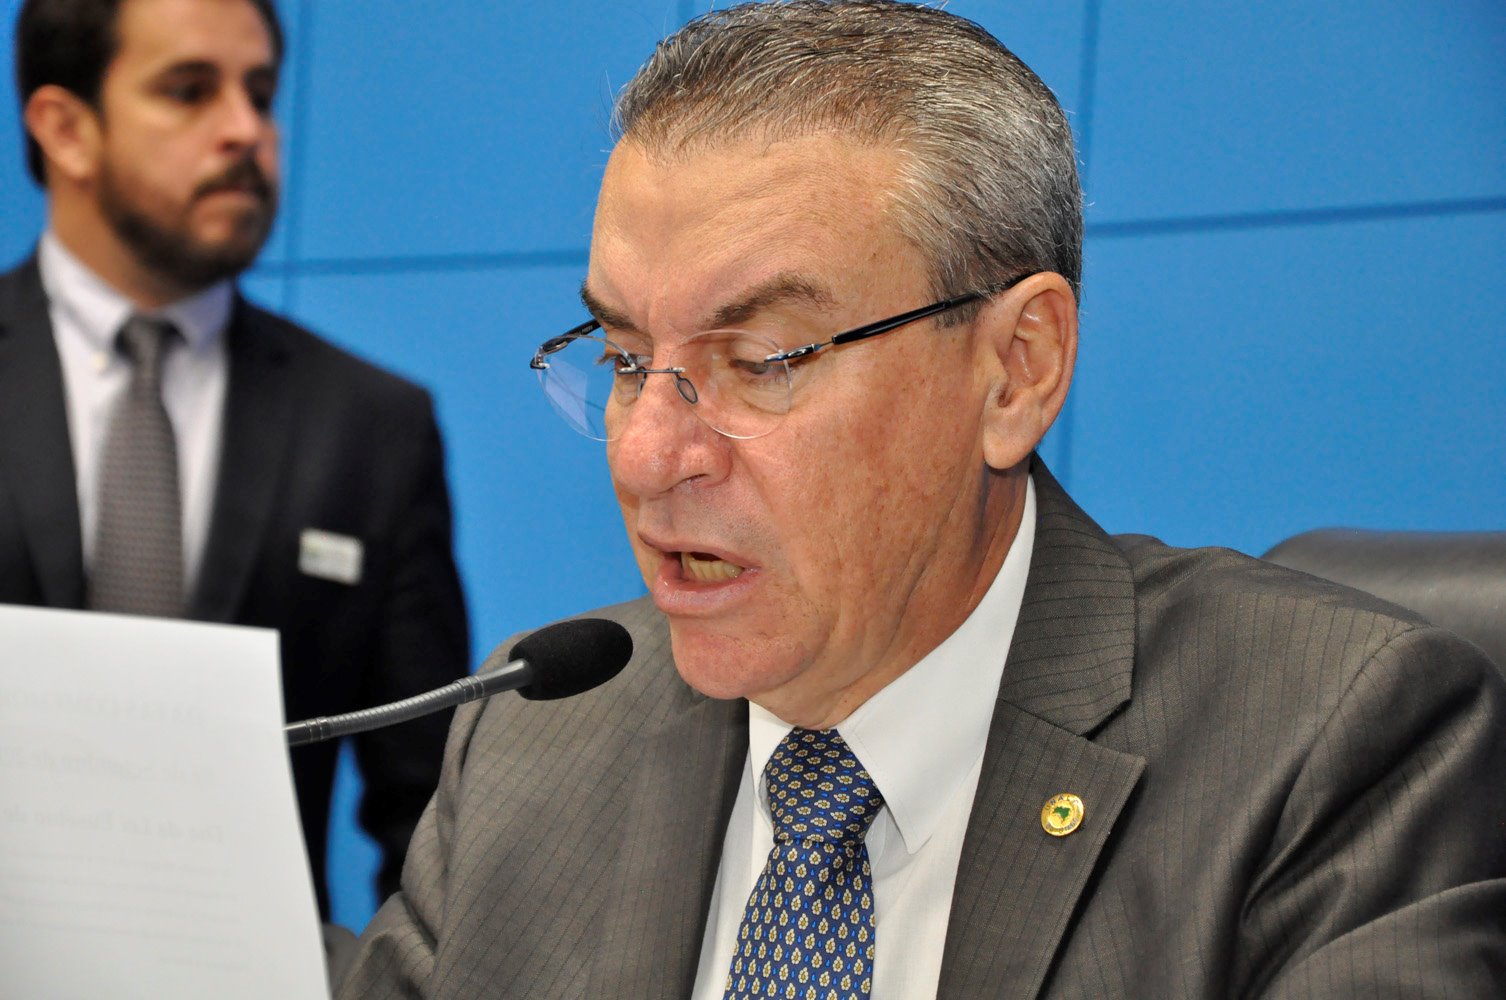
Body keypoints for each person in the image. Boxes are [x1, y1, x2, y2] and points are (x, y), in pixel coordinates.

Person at [340, 2, 1506, 996]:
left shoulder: (1327, 748)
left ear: (1015, 371)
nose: (648, 455)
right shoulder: (534, 742)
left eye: (763, 360)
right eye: (627, 357)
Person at [0, 0, 468, 917]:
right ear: (65, 128)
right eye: (189, 91)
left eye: (259, 93)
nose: (245, 131)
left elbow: (430, 810)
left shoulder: (370, 426)